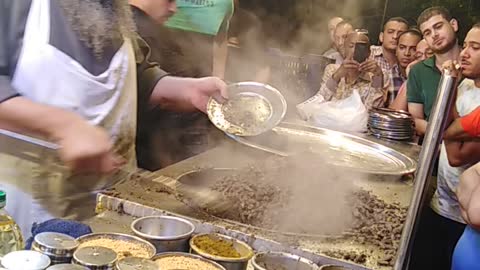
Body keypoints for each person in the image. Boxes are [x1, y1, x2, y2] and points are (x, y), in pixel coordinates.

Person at [0, 0, 227, 237]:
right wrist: (64, 126)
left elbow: (130, 74)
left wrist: (181, 89)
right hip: (31, 217)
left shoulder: (112, 8)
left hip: (113, 209)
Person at [409, 23, 480, 270]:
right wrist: (451, 85)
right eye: (467, 45)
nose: (464, 54)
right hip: (441, 203)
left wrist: (445, 130)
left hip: (465, 219)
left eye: (476, 47)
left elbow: (455, 155)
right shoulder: (466, 85)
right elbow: (446, 128)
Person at [298, 31, 385, 114]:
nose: (355, 51)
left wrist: (378, 78)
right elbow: (319, 101)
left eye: (360, 48)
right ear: (344, 49)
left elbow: (372, 111)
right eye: (351, 46)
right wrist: (336, 76)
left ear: (368, 52)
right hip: (328, 122)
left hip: (356, 126)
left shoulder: (374, 77)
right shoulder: (332, 69)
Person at [407, 6, 461, 136]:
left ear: (453, 25)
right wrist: (445, 138)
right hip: (433, 149)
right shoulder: (418, 71)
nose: (434, 35)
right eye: (427, 32)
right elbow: (415, 120)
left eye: (438, 26)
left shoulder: (473, 63)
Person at [164, 0, 234, 79]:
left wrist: (218, 78)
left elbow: (220, 40)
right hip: (158, 76)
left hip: (200, 77)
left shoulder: (224, 3)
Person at [370, 17, 409, 105]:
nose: (395, 37)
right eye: (391, 32)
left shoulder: (409, 59)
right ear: (381, 36)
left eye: (400, 33)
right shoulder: (368, 54)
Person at [388, 33, 425, 111]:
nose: (407, 53)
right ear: (396, 51)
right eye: (402, 48)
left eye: (413, 49)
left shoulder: (426, 76)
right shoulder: (386, 76)